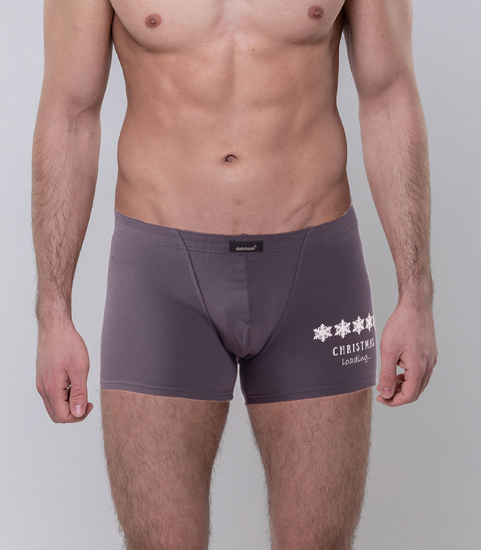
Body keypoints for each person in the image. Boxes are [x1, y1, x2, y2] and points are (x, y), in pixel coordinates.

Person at [32, 0, 438, 548]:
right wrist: (53, 312)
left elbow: (389, 97)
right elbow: (69, 114)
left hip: (316, 274)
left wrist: (416, 295)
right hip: (159, 280)